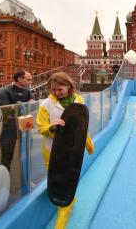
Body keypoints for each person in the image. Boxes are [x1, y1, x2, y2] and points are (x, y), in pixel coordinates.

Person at [36, 72, 94, 229]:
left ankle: (68, 204)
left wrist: (88, 145)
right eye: (53, 90)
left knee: (68, 182)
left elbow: (81, 128)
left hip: (73, 151)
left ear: (69, 87)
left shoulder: (79, 101)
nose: (56, 93)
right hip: (52, 152)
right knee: (58, 184)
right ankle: (64, 212)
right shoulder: (45, 105)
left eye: (59, 89)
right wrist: (52, 127)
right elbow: (41, 128)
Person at [0, 70, 34, 171]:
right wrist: (22, 105)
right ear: (20, 79)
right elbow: (6, 110)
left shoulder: (28, 91)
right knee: (7, 155)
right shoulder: (5, 91)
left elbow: (33, 104)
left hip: (25, 125)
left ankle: (27, 180)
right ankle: (4, 179)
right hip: (10, 127)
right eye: (28, 79)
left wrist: (25, 104)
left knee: (27, 153)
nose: (31, 81)